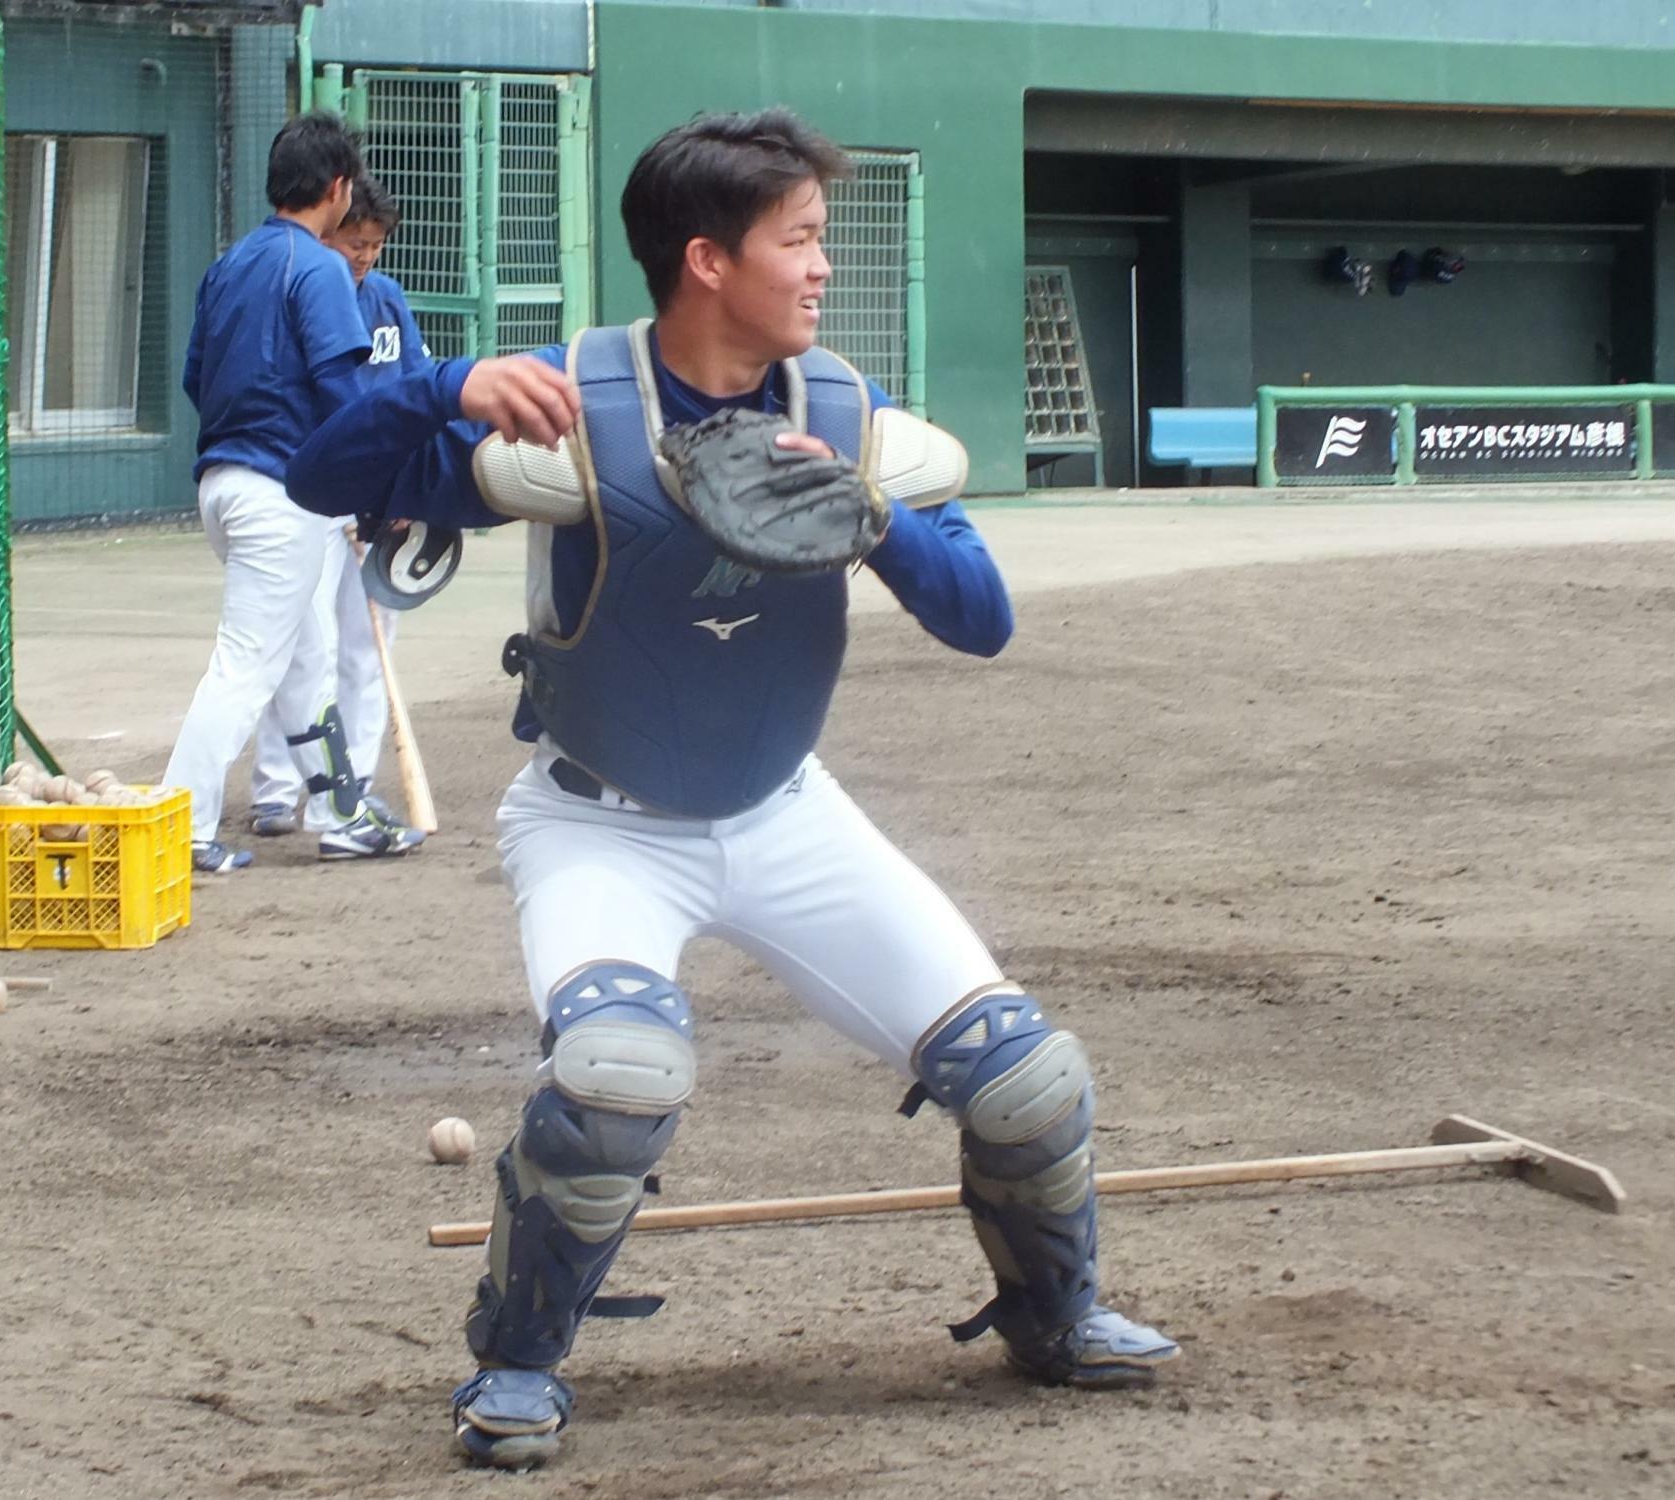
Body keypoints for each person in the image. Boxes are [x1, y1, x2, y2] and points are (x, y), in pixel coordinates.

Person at [285, 108, 1179, 1470]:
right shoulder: (568, 415)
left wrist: (874, 526)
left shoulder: (843, 416)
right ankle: (518, 1367)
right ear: (707, 261)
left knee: (1029, 1087)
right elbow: (316, 474)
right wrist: (442, 386)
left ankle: (1057, 1320)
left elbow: (983, 618)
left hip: (784, 811)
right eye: (800, 241)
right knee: (615, 1078)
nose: (823, 268)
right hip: (601, 823)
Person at [164, 112, 395, 873]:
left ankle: (340, 811)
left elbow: (197, 378)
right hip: (279, 491)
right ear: (337, 188)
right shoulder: (319, 265)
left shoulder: (230, 262)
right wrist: (372, 480)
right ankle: (182, 827)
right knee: (247, 665)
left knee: (304, 659)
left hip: (224, 485)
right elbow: (339, 388)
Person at [245, 175, 428, 856]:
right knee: (296, 642)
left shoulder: (385, 300)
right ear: (328, 231)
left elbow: (412, 394)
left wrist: (398, 493)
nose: (365, 257)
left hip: (380, 505)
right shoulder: (301, 296)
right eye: (356, 242)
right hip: (310, 497)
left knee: (366, 651)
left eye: (375, 246)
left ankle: (352, 787)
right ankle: (273, 790)